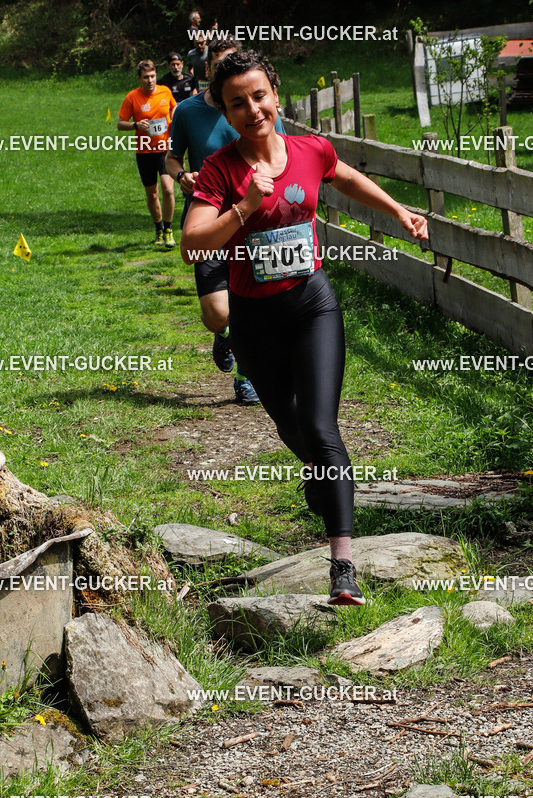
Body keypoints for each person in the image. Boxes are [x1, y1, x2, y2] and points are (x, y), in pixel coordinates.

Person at [181, 50, 429, 605]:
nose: (252, 109)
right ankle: (323, 482)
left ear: (276, 93)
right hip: (254, 322)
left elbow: (344, 177)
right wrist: (244, 205)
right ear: (224, 110)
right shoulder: (221, 170)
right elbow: (192, 243)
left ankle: (343, 567)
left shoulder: (310, 149)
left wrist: (398, 212)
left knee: (321, 429)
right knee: (292, 429)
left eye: (259, 96)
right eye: (236, 103)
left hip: (312, 305)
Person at [168, 37, 284, 405]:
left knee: (257, 306)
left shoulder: (260, 112)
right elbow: (170, 158)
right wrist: (181, 175)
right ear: (208, 71)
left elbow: (282, 157)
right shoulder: (186, 111)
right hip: (211, 225)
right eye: (220, 66)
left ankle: (246, 376)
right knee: (218, 312)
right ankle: (224, 334)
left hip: (258, 225)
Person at [117, 60, 177, 248]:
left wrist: (174, 117)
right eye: (146, 77)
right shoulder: (132, 97)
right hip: (144, 151)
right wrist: (136, 125)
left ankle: (168, 229)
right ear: (139, 79)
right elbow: (120, 123)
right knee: (152, 195)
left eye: (152, 76)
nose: (150, 80)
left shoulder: (165, 91)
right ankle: (158, 229)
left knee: (168, 189)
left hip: (164, 149)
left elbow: (173, 106)